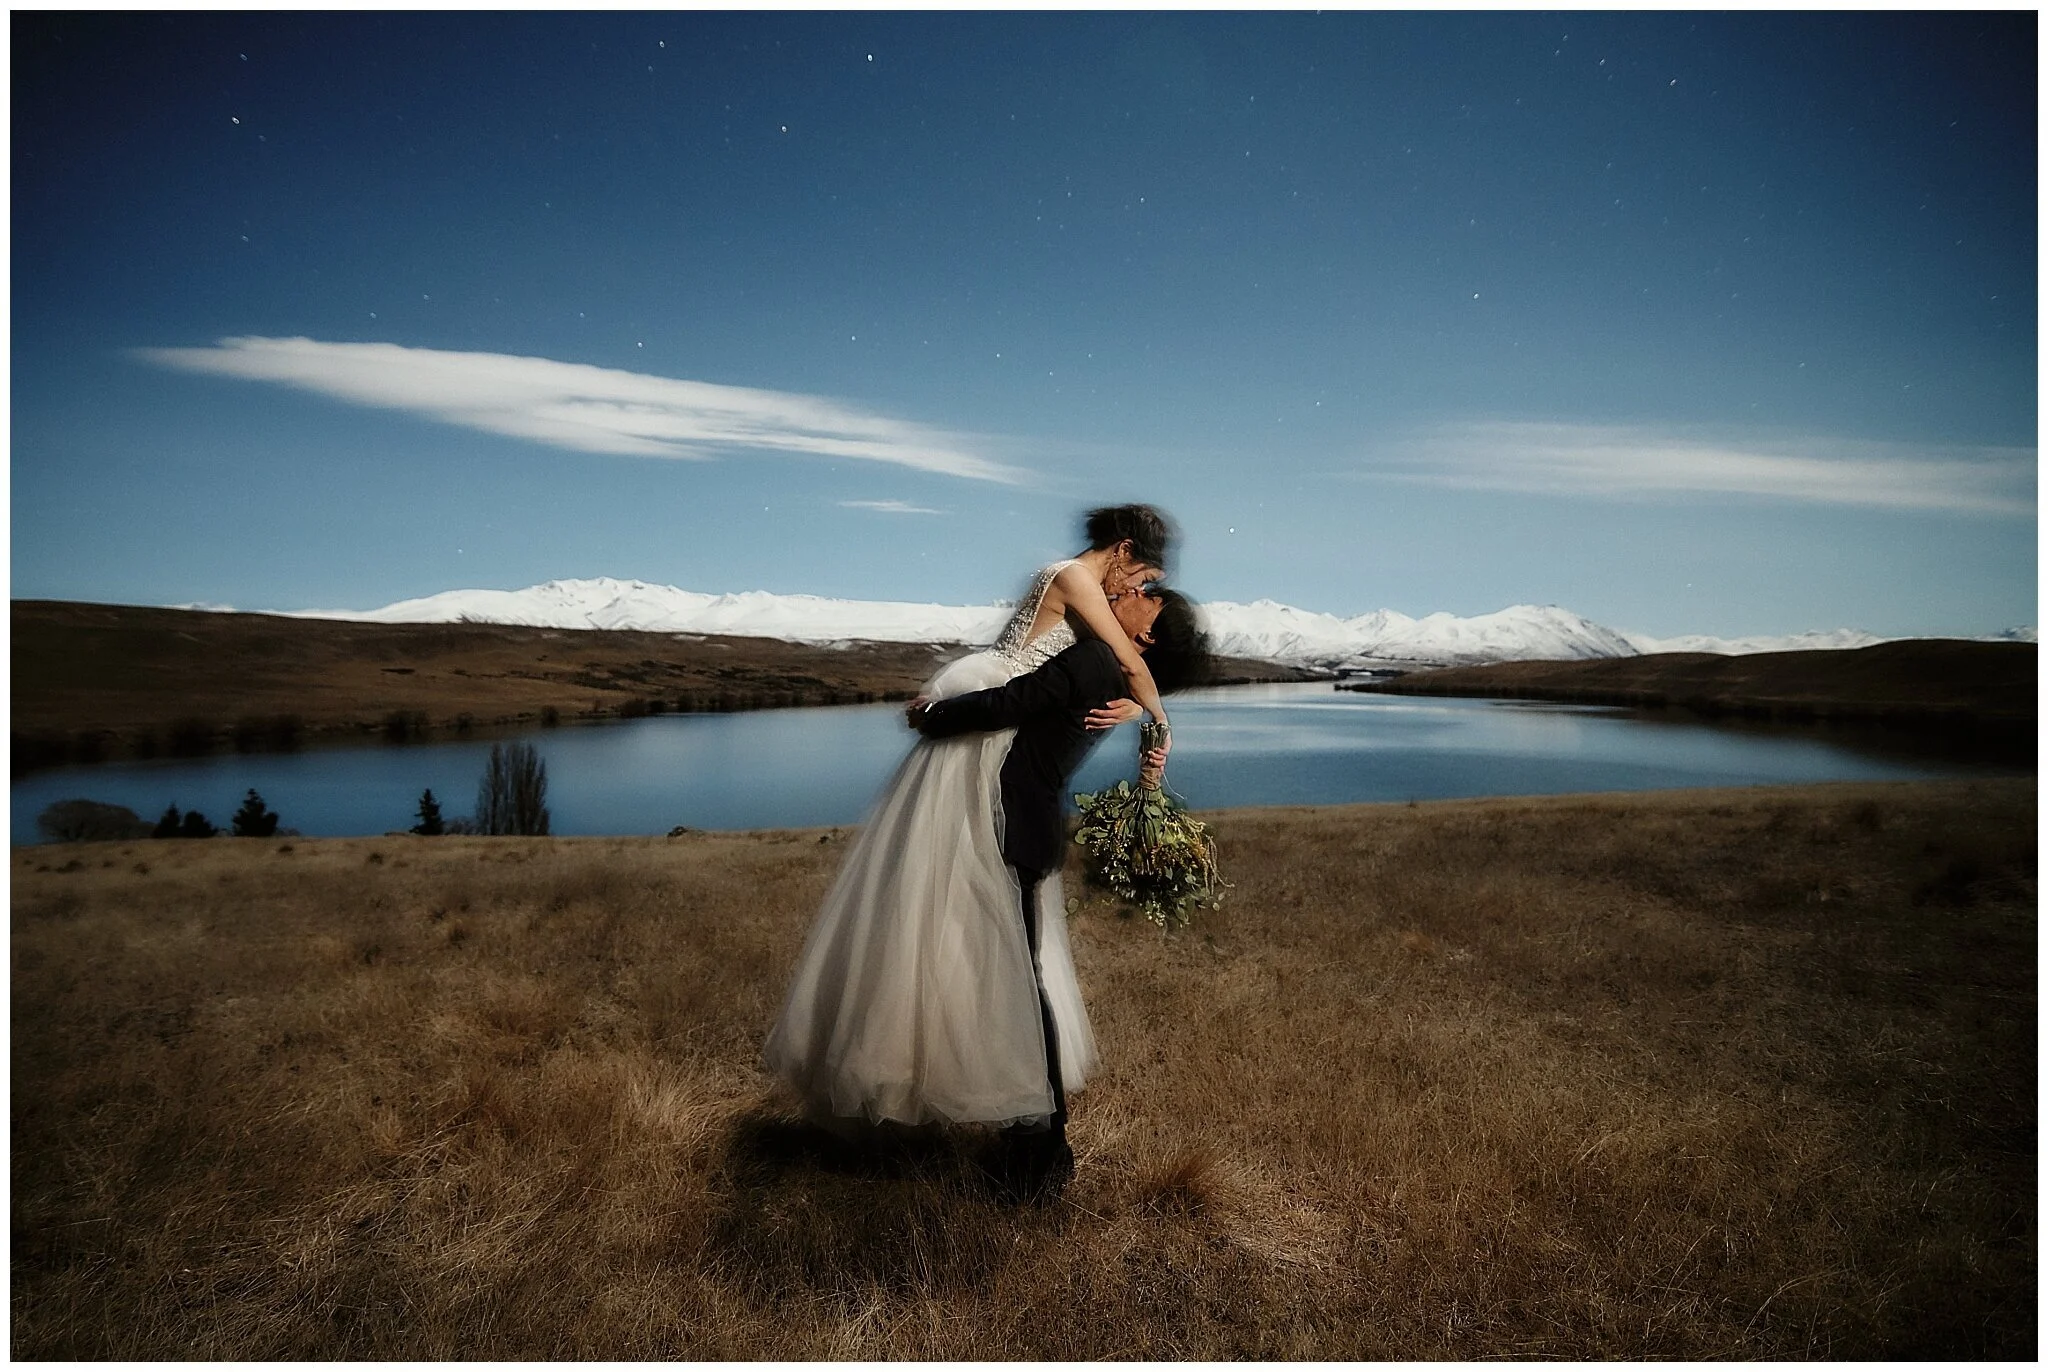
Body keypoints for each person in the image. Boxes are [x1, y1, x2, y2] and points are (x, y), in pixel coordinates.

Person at [761, 505, 1183, 1141]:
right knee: (956, 886)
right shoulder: (1074, 578)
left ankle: (957, 1076)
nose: (1138, 590)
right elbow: (1124, 656)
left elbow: (1103, 668)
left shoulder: (1089, 590)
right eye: (1142, 576)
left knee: (967, 898)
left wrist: (1133, 711)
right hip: (991, 718)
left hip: (1003, 722)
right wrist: (1159, 722)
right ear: (1122, 550)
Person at [909, 585, 1209, 1200]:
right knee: (1021, 981)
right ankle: (1033, 1141)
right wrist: (1153, 723)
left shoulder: (1098, 661)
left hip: (1015, 827)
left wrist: (932, 716)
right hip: (1033, 827)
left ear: (1146, 635)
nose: (1130, 593)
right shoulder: (1117, 676)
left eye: (1146, 597)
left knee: (1020, 988)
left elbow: (1012, 701)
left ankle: (1043, 1155)